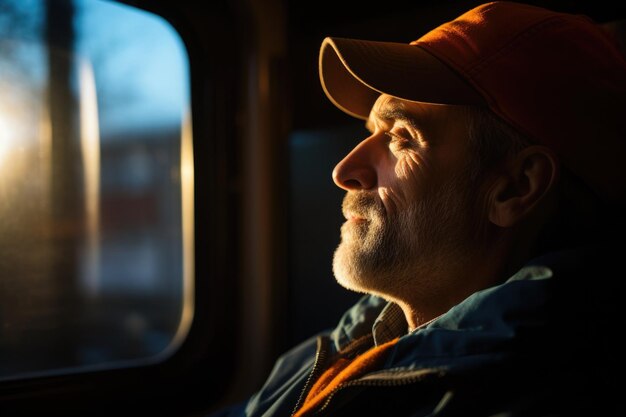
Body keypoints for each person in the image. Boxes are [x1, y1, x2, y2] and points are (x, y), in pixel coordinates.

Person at [211, 1, 626, 416]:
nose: (344, 170)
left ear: (515, 188)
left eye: (402, 138)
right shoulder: (334, 350)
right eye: (372, 132)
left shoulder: (539, 394)